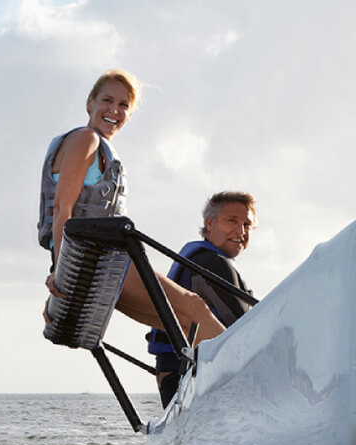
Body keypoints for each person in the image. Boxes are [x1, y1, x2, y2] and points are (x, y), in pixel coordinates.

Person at [38, 68, 226, 346]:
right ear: (90, 102)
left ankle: (212, 384)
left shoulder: (98, 148)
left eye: (123, 105)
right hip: (99, 260)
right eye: (107, 100)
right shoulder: (85, 140)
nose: (114, 110)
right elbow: (62, 208)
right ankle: (255, 372)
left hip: (100, 266)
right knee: (194, 307)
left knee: (185, 325)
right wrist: (60, 273)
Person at [146, 191, 257, 405]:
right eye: (232, 221)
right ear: (209, 224)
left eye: (247, 225)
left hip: (174, 376)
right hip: (189, 378)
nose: (241, 231)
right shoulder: (211, 263)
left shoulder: (199, 257)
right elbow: (244, 328)